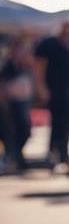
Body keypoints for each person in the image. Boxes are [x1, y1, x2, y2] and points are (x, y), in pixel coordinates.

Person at [34, 20, 69, 168]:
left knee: (68, 121)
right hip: (54, 89)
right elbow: (39, 66)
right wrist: (41, 88)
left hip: (68, 89)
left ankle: (63, 153)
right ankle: (53, 153)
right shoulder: (49, 44)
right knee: (57, 121)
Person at [1, 37, 35, 171]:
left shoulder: (25, 66)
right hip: (11, 103)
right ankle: (14, 157)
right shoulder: (8, 66)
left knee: (25, 130)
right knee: (12, 132)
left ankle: (17, 156)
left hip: (23, 102)